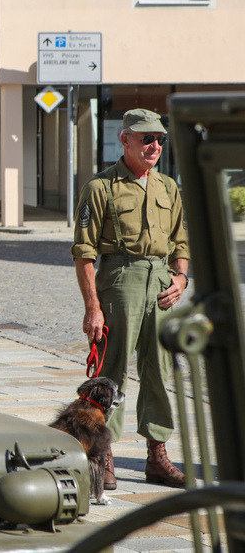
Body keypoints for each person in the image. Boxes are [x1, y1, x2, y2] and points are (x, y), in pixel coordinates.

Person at [72, 108, 190, 489]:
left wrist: (182, 277)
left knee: (159, 369)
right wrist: (92, 306)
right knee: (111, 372)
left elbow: (181, 240)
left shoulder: (168, 187)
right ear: (124, 140)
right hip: (119, 279)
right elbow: (84, 252)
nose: (154, 145)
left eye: (159, 139)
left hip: (160, 283)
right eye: (146, 138)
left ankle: (157, 455)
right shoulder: (101, 187)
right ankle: (102, 452)